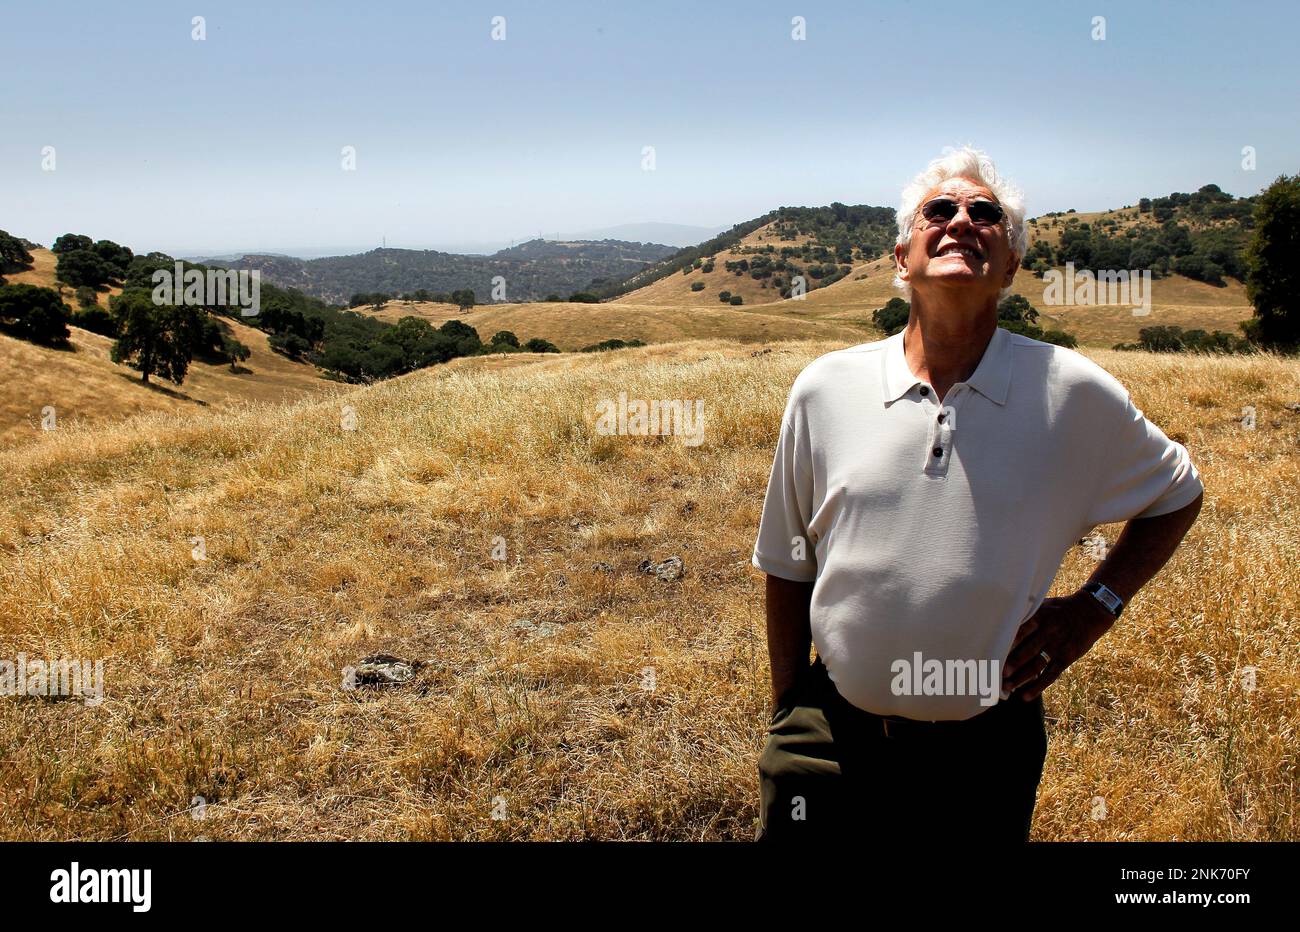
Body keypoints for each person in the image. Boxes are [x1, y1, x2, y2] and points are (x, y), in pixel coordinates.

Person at [750, 146, 1204, 842]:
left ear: (1011, 266)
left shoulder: (1071, 391)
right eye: (941, 210)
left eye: (986, 214)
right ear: (903, 257)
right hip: (828, 744)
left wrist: (1095, 607)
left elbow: (1178, 492)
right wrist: (788, 711)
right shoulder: (824, 389)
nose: (963, 220)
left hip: (985, 752)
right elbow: (787, 563)